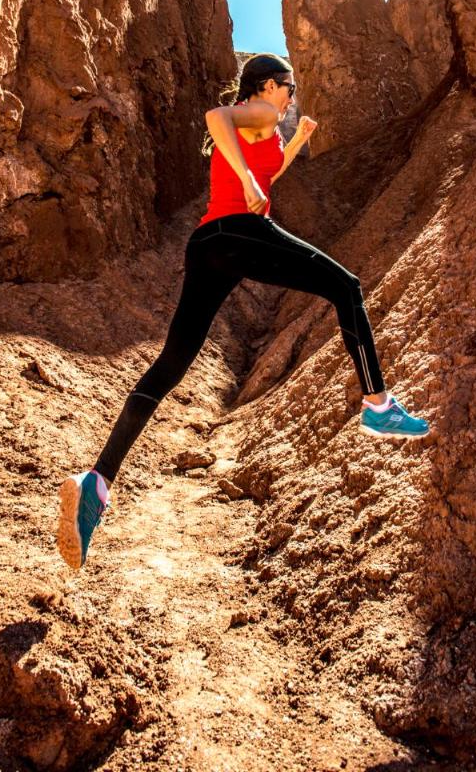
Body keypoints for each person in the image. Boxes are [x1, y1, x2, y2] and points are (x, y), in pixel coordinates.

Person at [56, 53, 429, 569]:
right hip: (240, 234)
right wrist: (252, 182)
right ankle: (378, 405)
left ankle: (96, 482)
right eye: (289, 89)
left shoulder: (269, 129)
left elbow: (268, 173)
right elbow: (217, 118)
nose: (292, 99)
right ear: (268, 86)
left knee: (171, 363)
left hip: (209, 243)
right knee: (347, 287)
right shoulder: (257, 112)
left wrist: (296, 142)